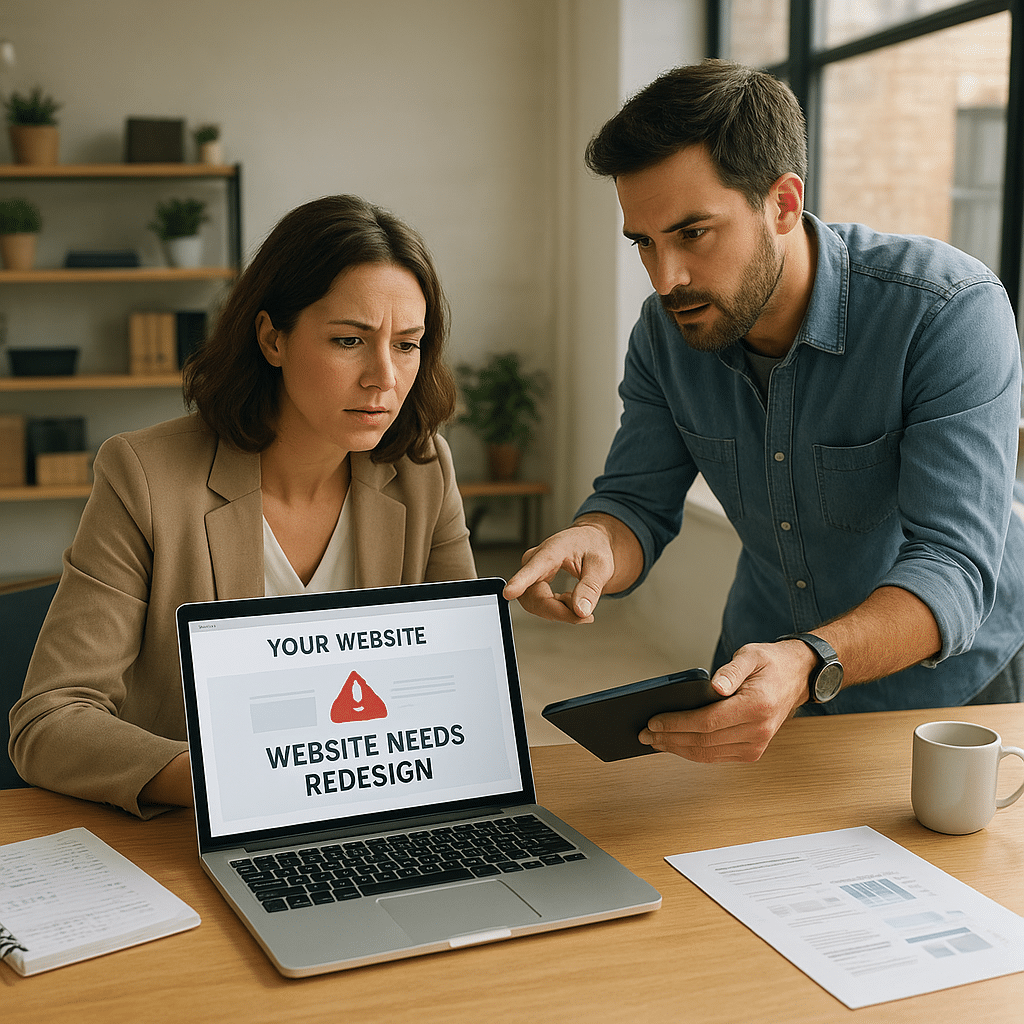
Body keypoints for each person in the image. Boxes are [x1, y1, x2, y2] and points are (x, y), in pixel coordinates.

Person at [505, 60, 1024, 764]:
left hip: (956, 696)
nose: (666, 279)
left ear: (782, 203)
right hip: (762, 681)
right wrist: (596, 539)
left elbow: (954, 566)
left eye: (693, 234)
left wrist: (811, 661)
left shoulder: (946, 312)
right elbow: (637, 502)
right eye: (644, 243)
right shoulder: (666, 333)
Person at [10, 195, 476, 816]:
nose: (384, 378)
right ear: (271, 337)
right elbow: (49, 719)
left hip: (376, 817)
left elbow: (463, 690)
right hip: (200, 832)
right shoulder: (144, 477)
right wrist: (224, 784)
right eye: (348, 340)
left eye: (408, 345)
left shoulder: (422, 470)